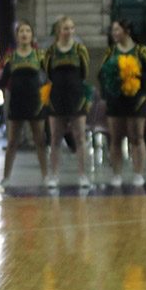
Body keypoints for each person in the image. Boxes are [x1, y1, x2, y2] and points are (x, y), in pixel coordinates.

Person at [98, 19, 146, 187]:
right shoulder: (111, 52)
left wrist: (134, 77)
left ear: (127, 31)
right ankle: (116, 175)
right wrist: (112, 85)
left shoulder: (141, 51)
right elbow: (101, 75)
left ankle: (138, 174)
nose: (114, 33)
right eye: (113, 30)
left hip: (136, 101)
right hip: (115, 101)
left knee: (136, 137)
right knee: (115, 138)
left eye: (118, 30)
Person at [0, 20, 48, 187]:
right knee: (12, 142)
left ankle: (46, 175)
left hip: (35, 102)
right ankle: (6, 177)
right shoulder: (10, 56)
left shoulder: (39, 55)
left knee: (39, 140)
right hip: (16, 103)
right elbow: (2, 81)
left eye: (27, 31)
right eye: (21, 32)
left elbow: (48, 77)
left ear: (32, 36)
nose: (24, 34)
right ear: (17, 36)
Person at [43, 16, 91, 189]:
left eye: (71, 28)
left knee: (80, 137)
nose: (69, 31)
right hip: (57, 97)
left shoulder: (80, 49)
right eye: (65, 28)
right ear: (58, 31)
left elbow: (85, 72)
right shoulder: (50, 51)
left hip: (76, 96)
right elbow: (47, 71)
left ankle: (83, 175)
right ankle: (54, 175)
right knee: (55, 138)